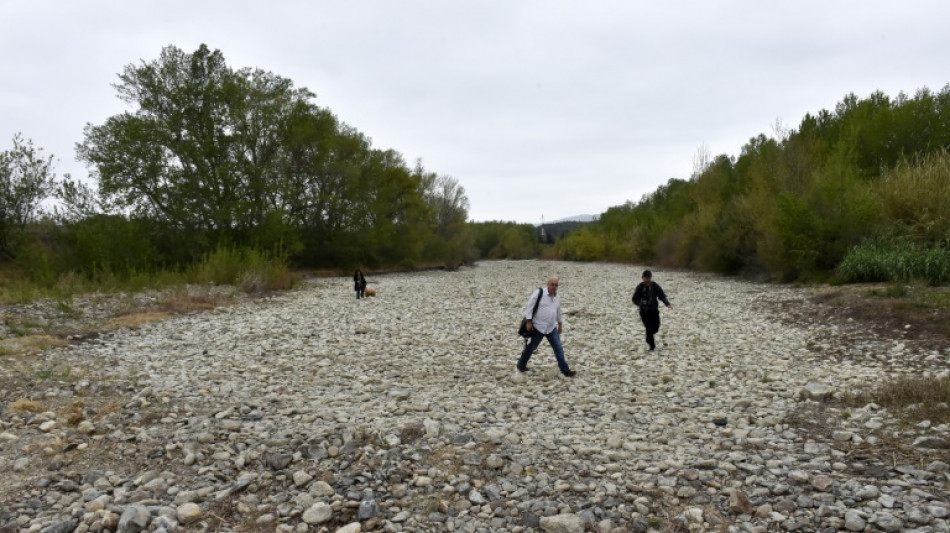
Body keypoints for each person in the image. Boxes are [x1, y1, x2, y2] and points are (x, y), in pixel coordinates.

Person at [517, 276, 576, 377]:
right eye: (552, 284)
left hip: (551, 328)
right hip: (538, 327)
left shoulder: (557, 297)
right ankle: (521, 364)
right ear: (548, 284)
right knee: (531, 347)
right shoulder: (539, 293)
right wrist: (529, 321)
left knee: (558, 348)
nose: (554, 286)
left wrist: (560, 323)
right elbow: (529, 306)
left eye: (556, 285)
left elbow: (558, 311)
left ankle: (565, 370)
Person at [631, 270, 672, 352]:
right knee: (649, 328)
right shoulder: (640, 287)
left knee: (656, 327)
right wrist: (641, 303)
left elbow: (662, 296)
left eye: (649, 278)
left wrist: (667, 303)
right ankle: (652, 346)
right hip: (644, 312)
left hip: (654, 310)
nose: (647, 280)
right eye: (646, 278)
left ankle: (648, 338)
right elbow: (634, 299)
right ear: (642, 278)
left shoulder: (655, 285)